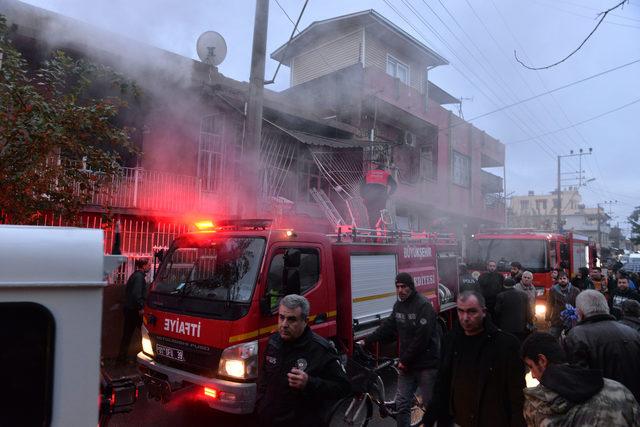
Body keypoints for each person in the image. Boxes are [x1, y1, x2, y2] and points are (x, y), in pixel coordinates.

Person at [424, 291, 526, 427]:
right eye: (460, 311)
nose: (465, 318)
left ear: (483, 312)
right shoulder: (450, 341)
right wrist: (430, 417)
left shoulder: (505, 345)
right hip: (457, 421)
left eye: (472, 312)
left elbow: (516, 395)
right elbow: (442, 382)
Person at [255, 294, 350, 427]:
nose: (284, 324)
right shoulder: (273, 342)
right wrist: (261, 404)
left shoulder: (321, 349)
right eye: (281, 317)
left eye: (291, 319)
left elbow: (343, 387)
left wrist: (309, 382)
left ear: (305, 320)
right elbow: (263, 377)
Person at [364, 272, 439, 427]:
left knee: (430, 406)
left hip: (426, 364)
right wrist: (366, 340)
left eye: (403, 286)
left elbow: (422, 338)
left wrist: (404, 359)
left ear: (411, 287)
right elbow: (388, 326)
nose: (400, 290)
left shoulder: (423, 305)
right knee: (403, 405)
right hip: (408, 364)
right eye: (397, 287)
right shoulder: (398, 306)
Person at [521, 332, 640, 427]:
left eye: (531, 366)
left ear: (542, 361)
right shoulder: (619, 391)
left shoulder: (536, 406)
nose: (532, 375)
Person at [563, 289, 640, 402]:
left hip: (600, 409)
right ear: (607, 308)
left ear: (579, 312)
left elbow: (578, 381)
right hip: (634, 405)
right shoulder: (632, 333)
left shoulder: (577, 335)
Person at [117, 258, 151, 363]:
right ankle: (145, 355)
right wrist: (141, 307)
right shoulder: (139, 278)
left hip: (130, 309)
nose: (150, 266)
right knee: (145, 333)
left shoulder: (135, 276)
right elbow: (136, 294)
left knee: (127, 335)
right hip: (134, 310)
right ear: (143, 266)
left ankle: (121, 359)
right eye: (149, 265)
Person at [359, 160, 397, 229]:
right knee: (381, 214)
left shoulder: (369, 174)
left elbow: (361, 186)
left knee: (371, 215)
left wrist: (363, 196)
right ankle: (380, 230)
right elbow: (394, 185)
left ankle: (373, 230)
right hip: (381, 199)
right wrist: (389, 194)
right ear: (383, 168)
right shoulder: (386, 175)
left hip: (369, 198)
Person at [494, 278, 532, 342]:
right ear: (514, 285)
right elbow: (529, 312)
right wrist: (529, 323)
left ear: (504, 285)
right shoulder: (524, 295)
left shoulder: (501, 296)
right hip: (521, 327)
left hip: (506, 328)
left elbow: (497, 311)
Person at [545, 271, 580, 339]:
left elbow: (578, 305)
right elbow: (549, 304)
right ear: (558, 280)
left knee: (571, 338)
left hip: (571, 319)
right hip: (557, 318)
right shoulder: (553, 290)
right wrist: (547, 317)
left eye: (564, 278)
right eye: (560, 279)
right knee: (552, 338)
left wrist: (578, 317)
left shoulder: (575, 290)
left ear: (568, 279)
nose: (562, 280)